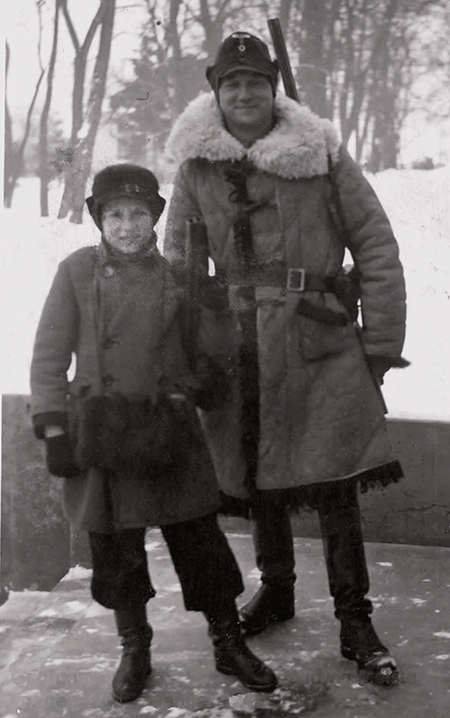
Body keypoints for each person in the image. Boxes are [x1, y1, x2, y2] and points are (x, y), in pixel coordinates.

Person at [163, 33, 409, 686]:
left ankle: (356, 621)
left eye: (255, 81)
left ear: (273, 88)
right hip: (237, 342)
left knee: (335, 483)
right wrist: (182, 354)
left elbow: (377, 246)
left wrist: (380, 344)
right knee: (256, 471)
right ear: (216, 93)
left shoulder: (323, 155)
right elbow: (180, 271)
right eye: (231, 83)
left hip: (320, 339)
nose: (244, 93)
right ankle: (277, 590)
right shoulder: (195, 167)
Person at [29, 163, 278, 703]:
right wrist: (53, 429)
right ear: (98, 219)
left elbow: (208, 358)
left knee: (200, 545)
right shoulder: (76, 271)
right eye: (114, 215)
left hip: (169, 431)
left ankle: (228, 640)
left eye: (138, 214)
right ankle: (134, 648)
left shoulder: (177, 277)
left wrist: (212, 324)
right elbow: (49, 355)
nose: (126, 226)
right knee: (117, 551)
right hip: (102, 432)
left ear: (155, 218)